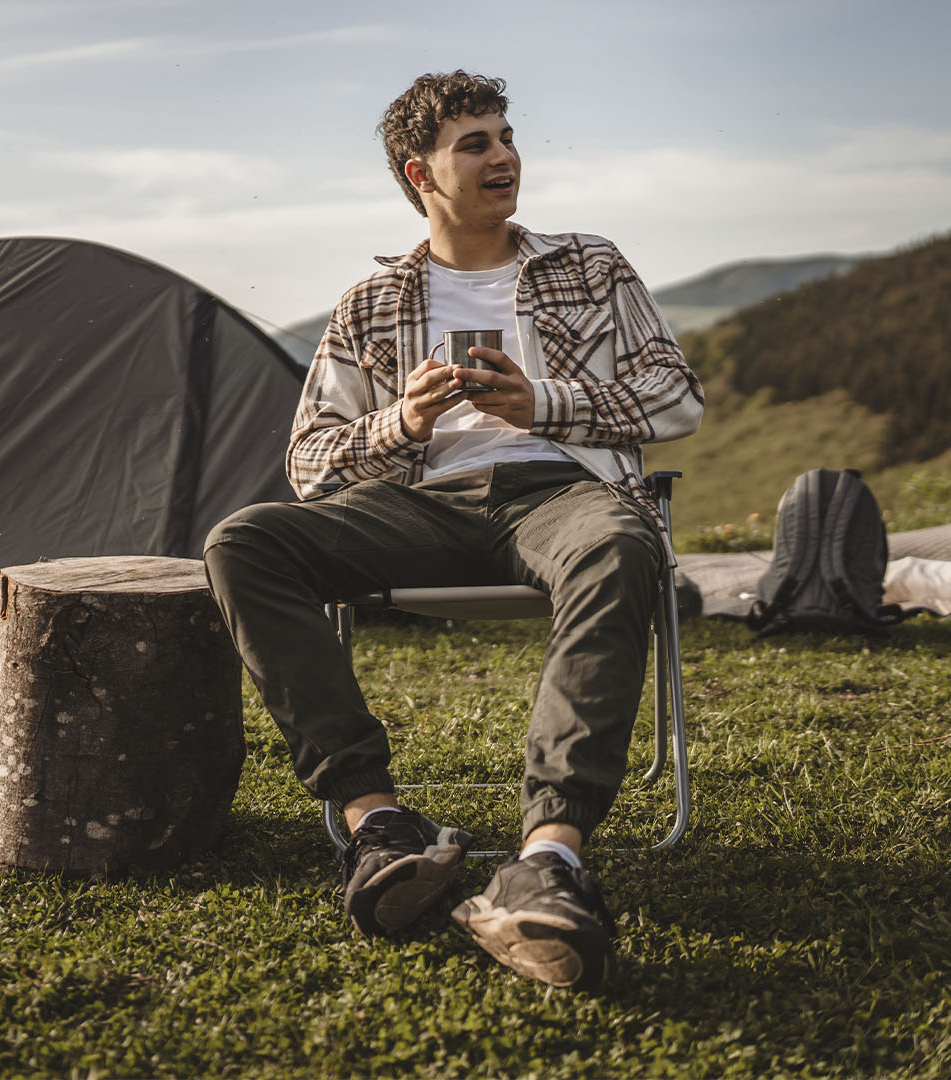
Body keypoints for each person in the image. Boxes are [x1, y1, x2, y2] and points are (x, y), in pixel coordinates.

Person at [202, 70, 704, 991]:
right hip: (421, 503)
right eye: (474, 144)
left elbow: (678, 398)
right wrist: (404, 423)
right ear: (420, 172)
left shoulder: (591, 265)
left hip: (561, 488)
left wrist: (541, 401)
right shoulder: (372, 300)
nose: (504, 156)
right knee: (243, 541)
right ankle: (377, 825)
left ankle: (548, 859)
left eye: (506, 137)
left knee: (623, 543)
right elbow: (309, 462)